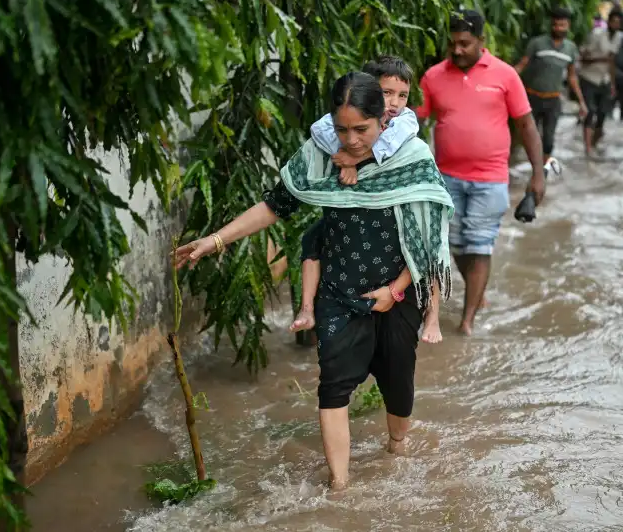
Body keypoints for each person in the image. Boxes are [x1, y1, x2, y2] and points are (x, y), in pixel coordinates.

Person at [174, 72, 455, 490]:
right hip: (338, 292)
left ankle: (397, 446)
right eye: (342, 129)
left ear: (383, 121)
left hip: (398, 292)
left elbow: (430, 240)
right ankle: (339, 486)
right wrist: (215, 240)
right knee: (333, 387)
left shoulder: (412, 158)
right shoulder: (320, 155)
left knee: (398, 382)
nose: (351, 139)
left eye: (362, 129)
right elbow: (274, 204)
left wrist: (395, 291)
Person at [294, 56, 444, 345]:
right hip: (360, 211)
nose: (395, 102)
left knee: (428, 243)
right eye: (387, 93)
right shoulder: (352, 119)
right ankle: (307, 307)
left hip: (409, 199)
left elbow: (388, 144)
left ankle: (433, 316)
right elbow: (322, 129)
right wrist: (347, 156)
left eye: (403, 95)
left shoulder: (404, 121)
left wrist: (353, 158)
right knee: (312, 240)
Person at [416, 9, 545, 336]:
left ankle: (467, 321)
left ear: (481, 41)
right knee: (456, 246)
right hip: (446, 179)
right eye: (452, 44)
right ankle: (478, 291)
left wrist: (538, 173)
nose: (457, 50)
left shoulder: (505, 75)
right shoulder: (432, 77)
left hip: (490, 179)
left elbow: (526, 125)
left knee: (479, 245)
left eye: (465, 43)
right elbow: (414, 122)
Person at [514, 7, 589, 173]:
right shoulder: (537, 43)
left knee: (548, 140)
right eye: (555, 25)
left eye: (562, 25)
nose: (559, 28)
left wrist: (581, 102)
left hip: (553, 101)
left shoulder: (570, 49)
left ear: (568, 26)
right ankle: (526, 168)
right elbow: (522, 65)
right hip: (532, 98)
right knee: (527, 136)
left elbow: (572, 77)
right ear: (551, 25)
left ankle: (542, 173)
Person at [580, 8, 623, 156]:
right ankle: (587, 148)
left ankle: (594, 143)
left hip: (604, 80)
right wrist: (600, 59)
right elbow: (583, 58)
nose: (616, 25)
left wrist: (612, 83)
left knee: (603, 113)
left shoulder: (618, 38)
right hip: (589, 77)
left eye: (619, 23)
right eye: (614, 22)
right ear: (608, 22)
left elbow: (611, 62)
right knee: (590, 111)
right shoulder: (597, 35)